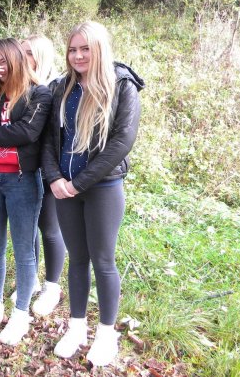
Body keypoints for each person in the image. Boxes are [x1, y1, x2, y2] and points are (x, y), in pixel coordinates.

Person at [42, 21, 143, 366]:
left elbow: (121, 143)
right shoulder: (62, 87)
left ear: (99, 48)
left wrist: (78, 183)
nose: (78, 55)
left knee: (102, 260)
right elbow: (48, 140)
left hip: (101, 188)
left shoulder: (122, 86)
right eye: (72, 49)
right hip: (64, 188)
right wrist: (54, 177)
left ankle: (105, 334)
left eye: (85, 48)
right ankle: (76, 326)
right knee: (77, 258)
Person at [0, 38, 52, 346]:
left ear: (17, 60)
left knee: (24, 249)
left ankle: (20, 314)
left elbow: (26, 133)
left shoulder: (39, 93)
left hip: (22, 180)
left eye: (3, 62)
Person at [8, 34, 66, 316]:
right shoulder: (21, 86)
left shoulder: (58, 86)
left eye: (29, 52)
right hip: (26, 167)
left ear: (41, 55)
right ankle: (29, 281)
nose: (24, 57)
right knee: (27, 225)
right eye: (22, 52)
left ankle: (52, 286)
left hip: (51, 169)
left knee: (49, 227)